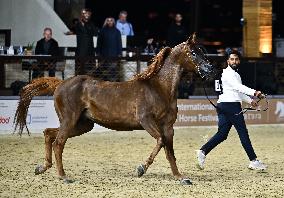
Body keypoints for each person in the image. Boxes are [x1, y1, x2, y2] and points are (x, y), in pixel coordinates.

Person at [196, 50, 267, 171]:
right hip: (231, 106)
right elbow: (238, 87)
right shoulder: (229, 74)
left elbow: (237, 91)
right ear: (228, 61)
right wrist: (255, 92)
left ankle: (203, 151)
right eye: (232, 59)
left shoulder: (234, 74)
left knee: (222, 134)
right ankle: (253, 161)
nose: (234, 61)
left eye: (236, 59)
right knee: (243, 132)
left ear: (239, 61)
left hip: (223, 105)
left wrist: (251, 101)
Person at [96, 17, 122, 81]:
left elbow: (119, 43)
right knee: (103, 71)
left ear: (113, 22)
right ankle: (104, 85)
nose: (110, 22)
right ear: (106, 22)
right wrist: (98, 52)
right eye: (108, 20)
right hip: (103, 55)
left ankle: (113, 85)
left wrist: (119, 53)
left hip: (114, 55)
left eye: (111, 20)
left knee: (113, 71)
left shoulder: (117, 31)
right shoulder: (102, 31)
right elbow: (99, 43)